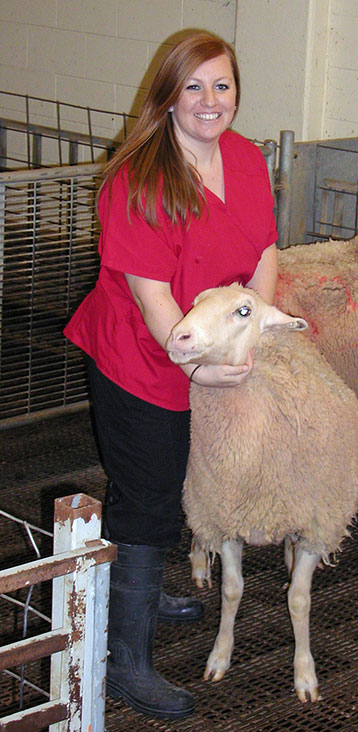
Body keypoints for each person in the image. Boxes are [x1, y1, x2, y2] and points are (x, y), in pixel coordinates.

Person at [64, 30, 278, 720]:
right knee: (149, 495)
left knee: (179, 479)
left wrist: (253, 327)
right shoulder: (141, 181)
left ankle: (143, 585)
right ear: (167, 97)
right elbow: (154, 299)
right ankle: (125, 664)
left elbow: (265, 252)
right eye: (193, 86)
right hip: (142, 358)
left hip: (213, 348)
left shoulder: (246, 160)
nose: (210, 101)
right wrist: (198, 363)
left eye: (222, 85)